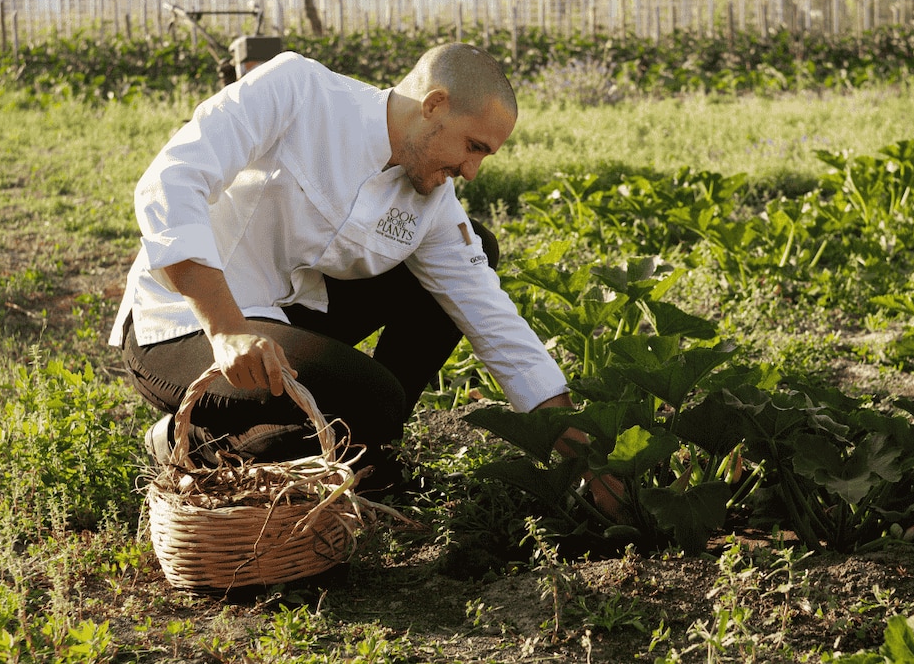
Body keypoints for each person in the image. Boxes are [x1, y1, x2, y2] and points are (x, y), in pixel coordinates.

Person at [108, 43, 617, 509]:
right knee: (372, 399)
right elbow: (169, 181)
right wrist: (225, 327)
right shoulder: (297, 91)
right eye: (474, 146)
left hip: (288, 318)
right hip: (184, 323)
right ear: (434, 105)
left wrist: (585, 456)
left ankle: (367, 451)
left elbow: (492, 317)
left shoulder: (431, 200)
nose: (472, 170)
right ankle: (191, 438)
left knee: (474, 249)